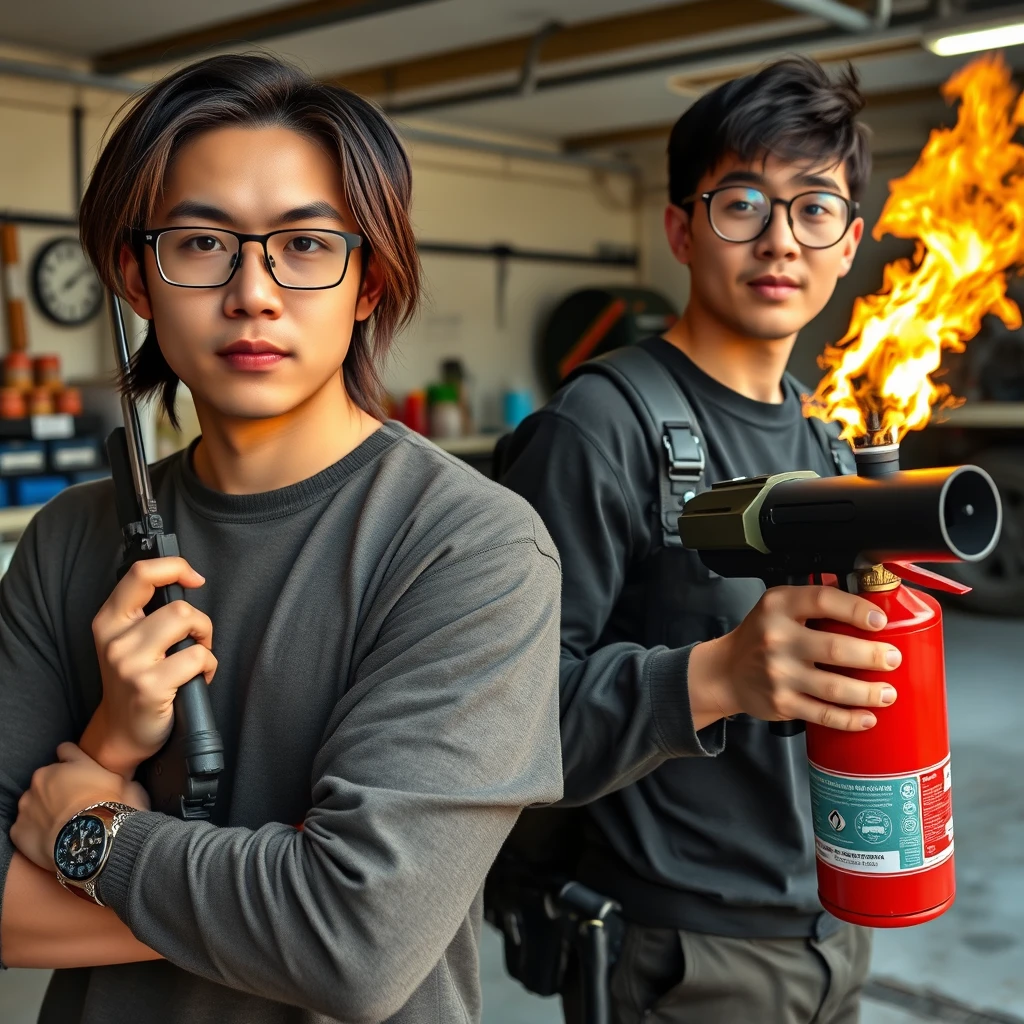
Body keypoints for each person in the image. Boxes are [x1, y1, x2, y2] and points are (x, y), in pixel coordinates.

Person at [0, 53, 563, 1024]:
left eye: (305, 245)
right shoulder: (68, 538)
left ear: (370, 281)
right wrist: (110, 742)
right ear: (136, 275)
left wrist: (86, 838)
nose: (253, 291)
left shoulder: (471, 547)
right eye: (201, 242)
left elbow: (358, 943)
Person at [500, 56, 899, 1024]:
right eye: (741, 204)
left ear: (848, 243)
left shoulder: (831, 437)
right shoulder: (597, 429)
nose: (779, 241)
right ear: (680, 226)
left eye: (813, 209)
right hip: (683, 957)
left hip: (838, 927)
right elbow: (499, 724)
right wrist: (713, 675)